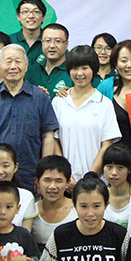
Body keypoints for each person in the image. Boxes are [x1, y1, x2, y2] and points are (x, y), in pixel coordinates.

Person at [0, 44, 58, 192]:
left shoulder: (40, 98)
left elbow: (48, 137)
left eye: (18, 61)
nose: (13, 66)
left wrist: (43, 175)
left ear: (26, 66)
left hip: (31, 176)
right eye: (8, 61)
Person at [52, 45, 121, 183]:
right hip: (65, 182)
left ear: (94, 70)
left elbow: (106, 145)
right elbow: (55, 140)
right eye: (75, 68)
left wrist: (90, 176)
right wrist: (65, 176)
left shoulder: (104, 104)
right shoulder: (59, 102)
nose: (79, 73)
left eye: (85, 68)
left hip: (95, 181)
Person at [96, 40, 131, 175]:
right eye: (124, 60)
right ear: (115, 64)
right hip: (111, 161)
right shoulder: (105, 87)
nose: (129, 65)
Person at [0, 144, 37, 231]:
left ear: (15, 167)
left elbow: (25, 234)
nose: (0, 171)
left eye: (6, 166)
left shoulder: (26, 197)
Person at [31, 156, 77, 250]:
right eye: (47, 180)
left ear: (68, 183)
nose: (52, 186)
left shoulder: (77, 210)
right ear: (37, 182)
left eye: (59, 181)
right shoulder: (31, 211)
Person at [26, 23, 73, 100]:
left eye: (58, 41)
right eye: (47, 41)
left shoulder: (74, 71)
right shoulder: (31, 71)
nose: (52, 46)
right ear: (42, 43)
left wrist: (73, 93)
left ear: (66, 44)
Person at [103, 143, 131, 230]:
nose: (114, 173)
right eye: (109, 167)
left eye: (120, 168)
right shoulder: (101, 195)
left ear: (129, 169)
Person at [10, 0, 47, 65]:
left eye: (36, 12)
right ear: (18, 16)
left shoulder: (51, 42)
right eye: (25, 11)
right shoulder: (9, 41)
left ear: (43, 17)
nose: (31, 16)